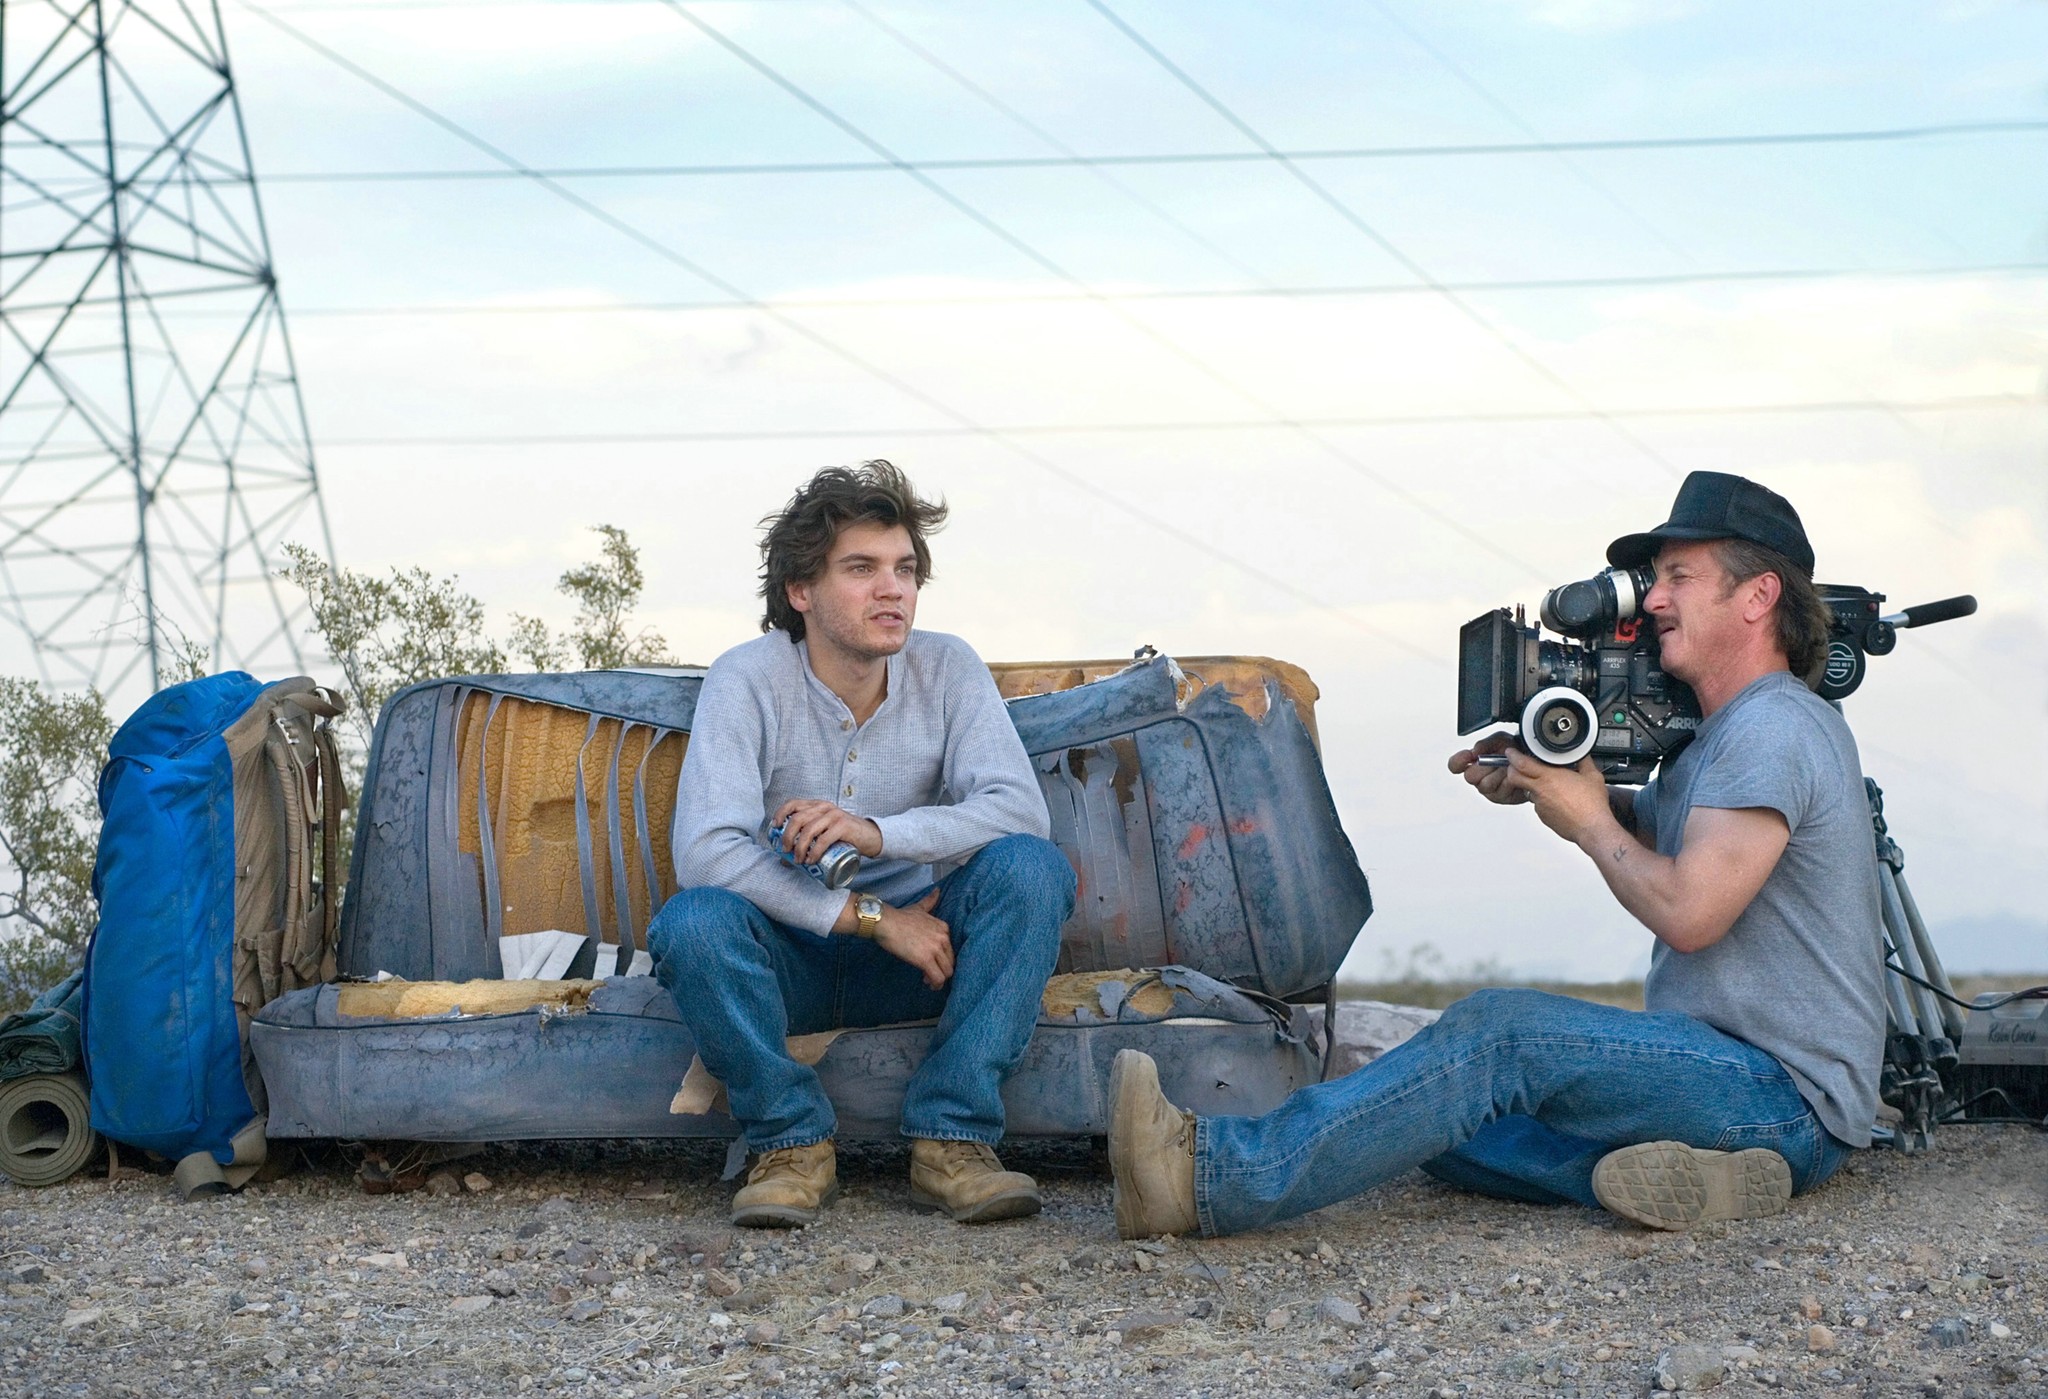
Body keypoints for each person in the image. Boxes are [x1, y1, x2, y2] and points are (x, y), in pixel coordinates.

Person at [1108, 471, 1884, 1238]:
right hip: (1719, 1075)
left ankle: (1206, 1177)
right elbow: (1660, 835)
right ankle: (1719, 1179)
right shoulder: (1724, 735)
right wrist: (1549, 783)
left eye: (1680, 577)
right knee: (1447, 1125)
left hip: (1782, 1095)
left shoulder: (1776, 727)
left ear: (1758, 597)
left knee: (1498, 1035)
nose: (1651, 599)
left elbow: (1691, 911)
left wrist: (1587, 819)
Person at [649, 461, 1075, 1229]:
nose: (894, 589)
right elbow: (708, 853)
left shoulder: (948, 667)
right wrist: (871, 915)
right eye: (862, 569)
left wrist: (879, 833)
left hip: (926, 952)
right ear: (800, 591)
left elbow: (1019, 811)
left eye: (905, 569)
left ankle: (953, 1139)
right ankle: (790, 1144)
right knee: (692, 924)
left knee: (1032, 869)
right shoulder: (745, 679)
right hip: (791, 959)